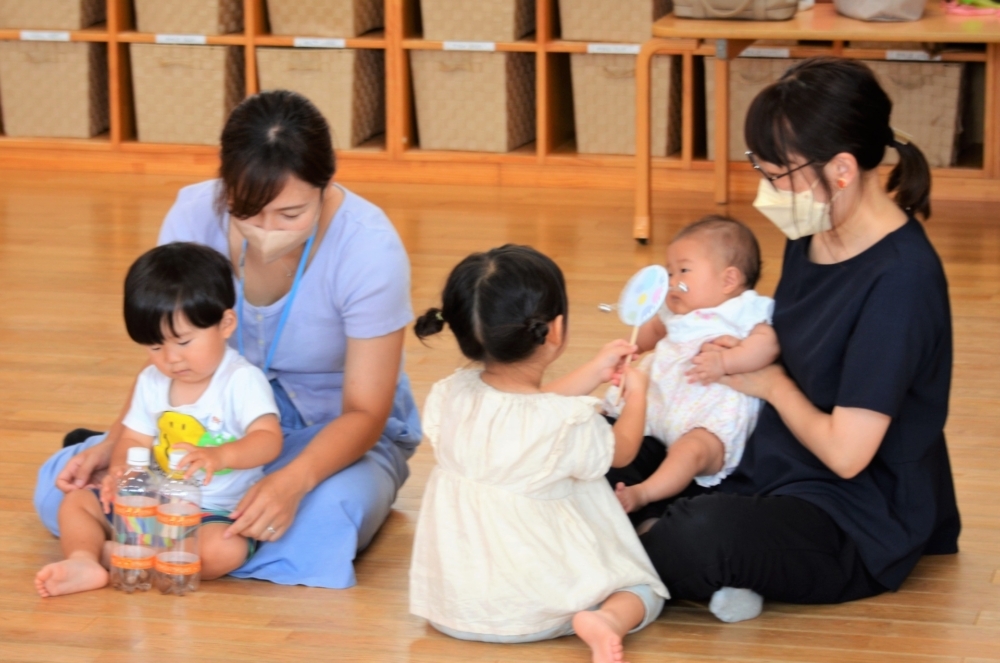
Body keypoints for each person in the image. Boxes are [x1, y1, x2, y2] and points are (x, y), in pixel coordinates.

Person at [610, 57, 961, 623]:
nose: (768, 190)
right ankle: (627, 540)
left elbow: (847, 455)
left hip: (852, 510)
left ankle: (615, 548)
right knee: (601, 456)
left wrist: (769, 383)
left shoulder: (901, 282)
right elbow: (788, 333)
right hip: (768, 457)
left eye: (779, 175)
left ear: (841, 169)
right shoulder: (814, 232)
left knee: (700, 536)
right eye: (762, 169)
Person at [34, 90, 421, 589]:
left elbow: (366, 412)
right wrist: (115, 443)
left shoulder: (369, 248)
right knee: (62, 484)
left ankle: (135, 548)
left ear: (326, 185)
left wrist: (292, 481)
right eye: (247, 211)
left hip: (328, 432)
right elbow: (169, 348)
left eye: (290, 214)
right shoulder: (194, 214)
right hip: (209, 424)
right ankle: (186, 549)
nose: (266, 229)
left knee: (332, 514)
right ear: (225, 187)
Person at [410, 245, 668, 663]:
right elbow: (621, 453)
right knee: (642, 590)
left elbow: (527, 408)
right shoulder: (566, 423)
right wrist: (637, 394)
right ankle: (606, 620)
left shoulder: (450, 394)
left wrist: (595, 371)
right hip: (534, 610)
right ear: (556, 329)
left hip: (454, 608)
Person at [36, 243, 282, 597]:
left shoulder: (241, 380)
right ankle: (84, 560)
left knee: (225, 550)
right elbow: (133, 439)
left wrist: (221, 456)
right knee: (76, 503)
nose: (171, 358)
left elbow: (268, 439)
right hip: (151, 508)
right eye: (155, 347)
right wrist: (120, 475)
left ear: (226, 324)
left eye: (183, 342)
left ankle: (118, 556)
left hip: (210, 513)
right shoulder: (152, 381)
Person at [604, 217, 778, 516]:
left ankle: (644, 493)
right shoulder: (674, 309)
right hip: (662, 399)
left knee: (692, 451)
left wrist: (725, 361)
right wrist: (631, 349)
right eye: (670, 272)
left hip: (708, 413)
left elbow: (768, 344)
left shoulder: (744, 308)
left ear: (728, 280)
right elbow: (654, 330)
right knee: (615, 416)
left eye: (683, 271)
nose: (673, 281)